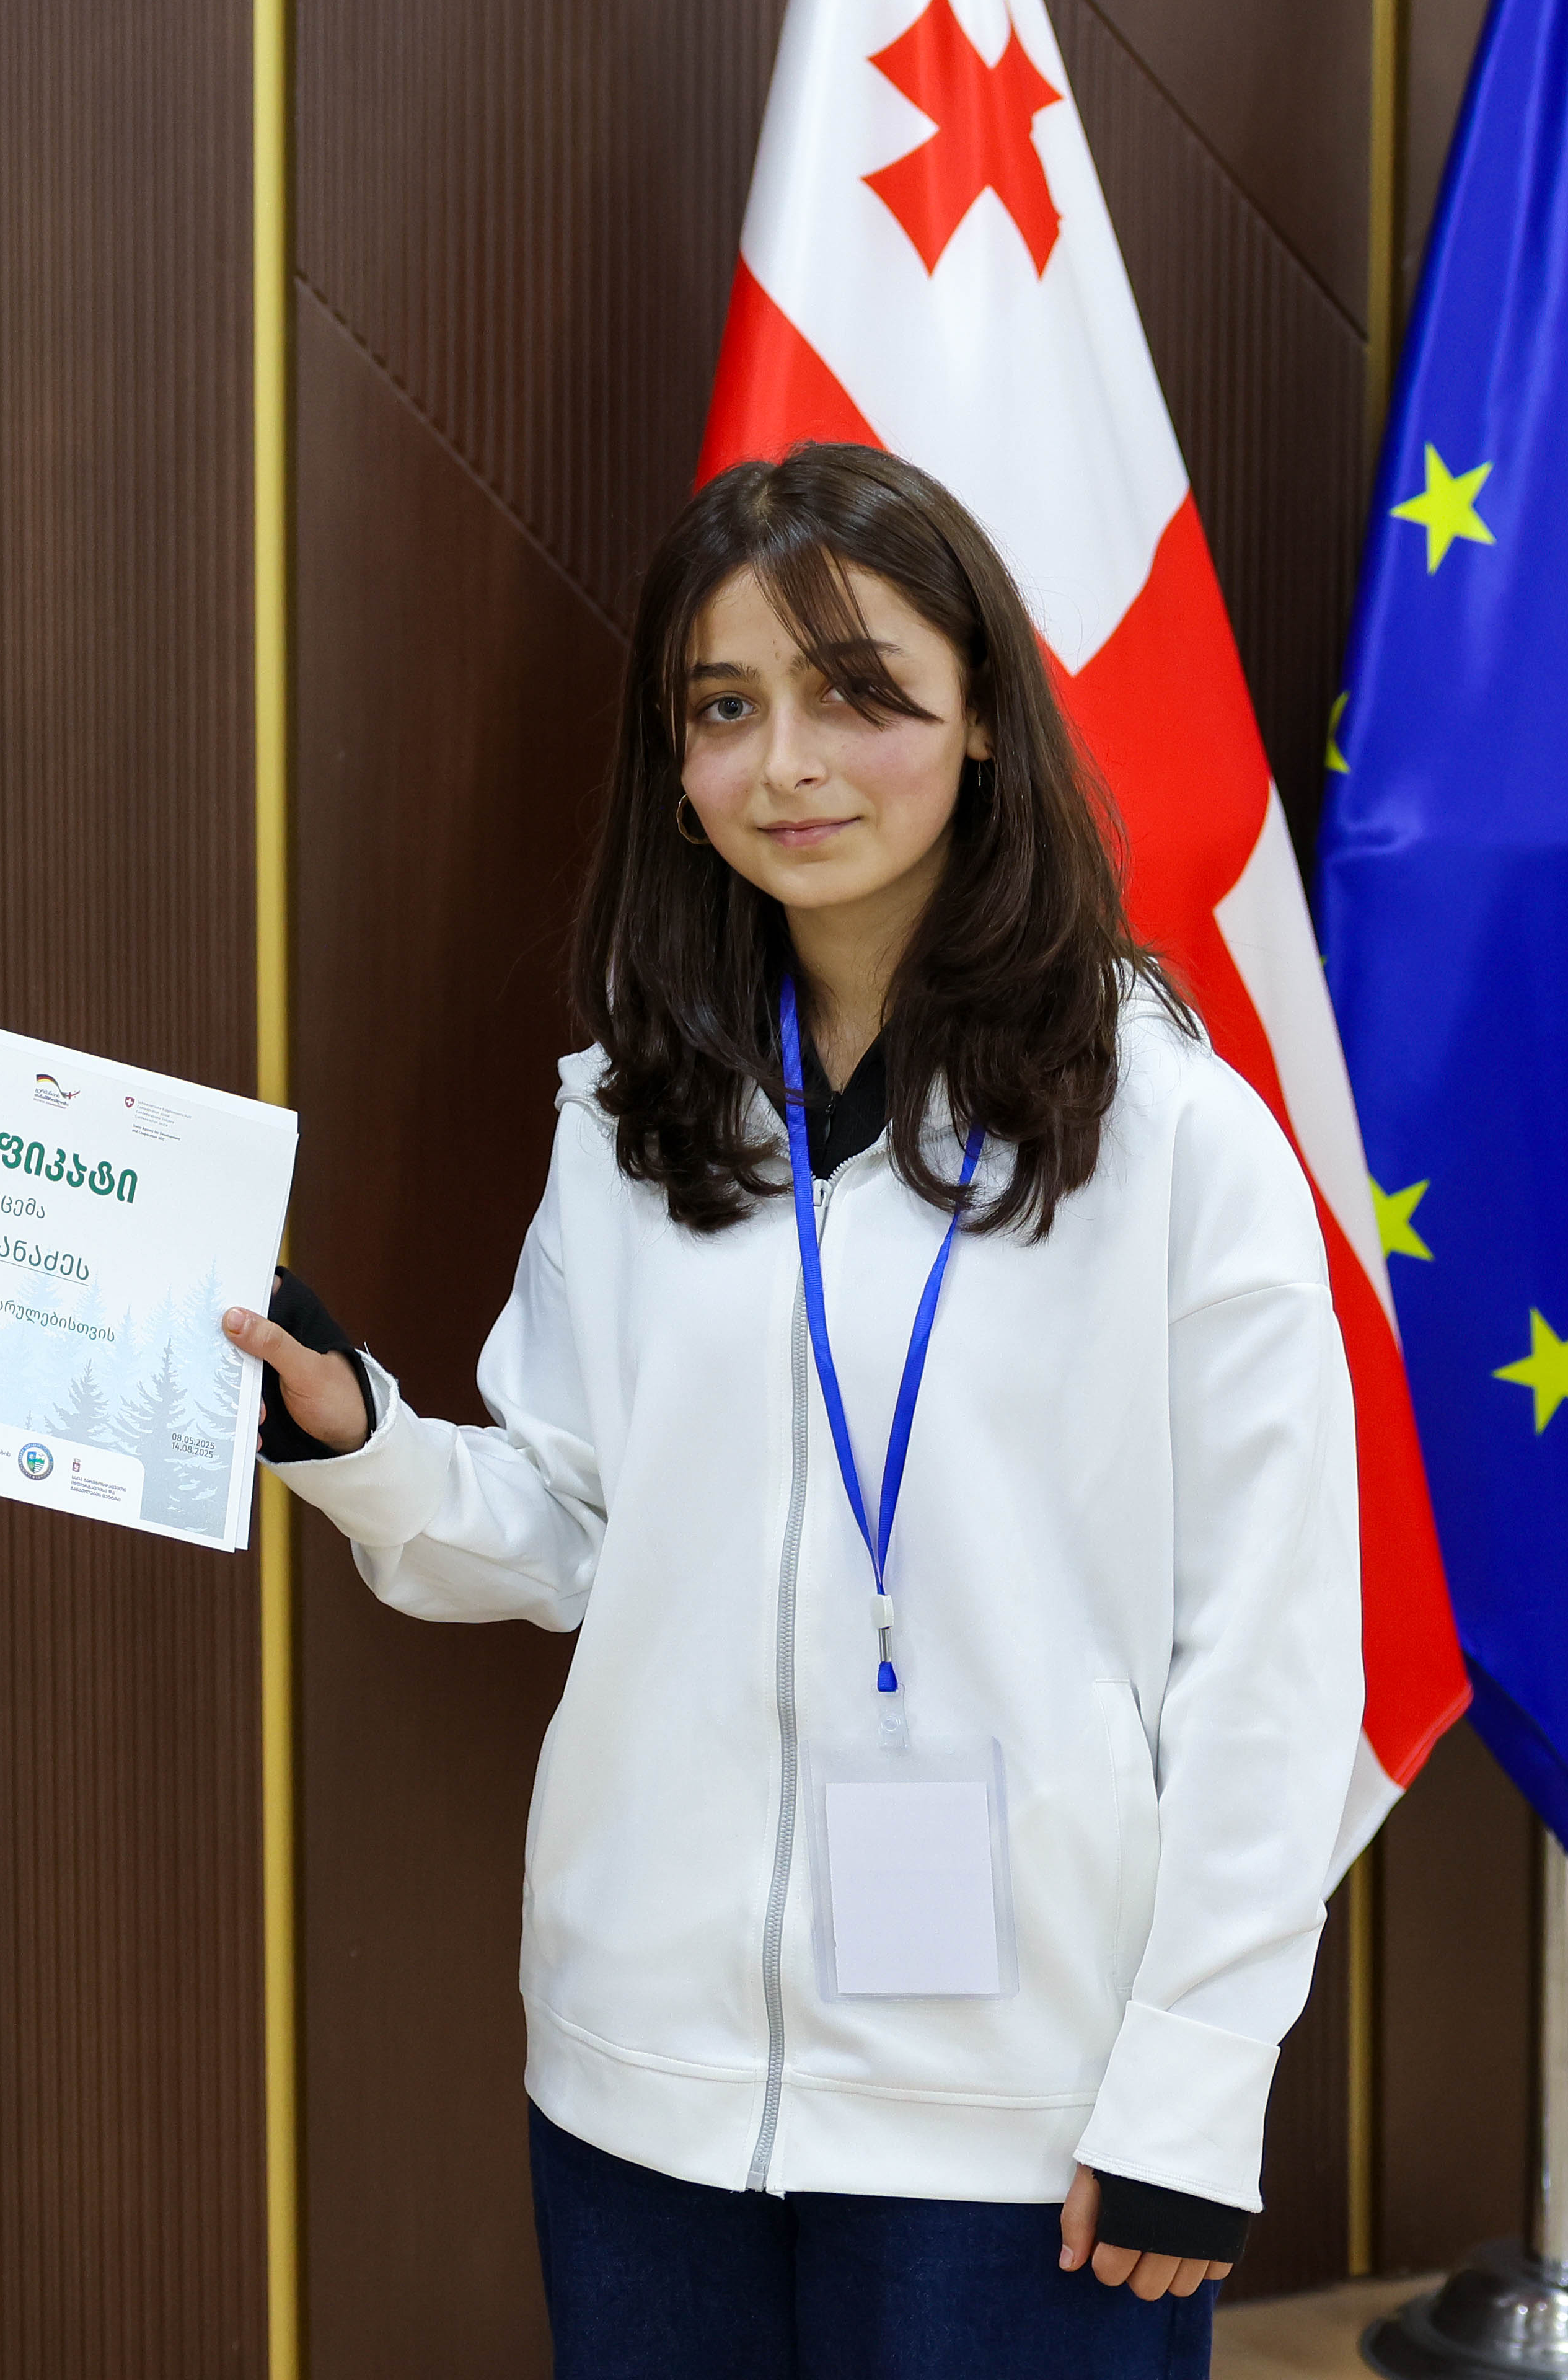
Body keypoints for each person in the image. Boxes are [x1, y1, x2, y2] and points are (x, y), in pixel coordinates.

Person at [227, 446, 1359, 2379]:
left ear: (982, 718)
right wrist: (361, 1444)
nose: (789, 765)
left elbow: (1278, 1657)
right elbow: (577, 1530)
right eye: (726, 709)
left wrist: (1194, 2082)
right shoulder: (631, 1116)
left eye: (858, 694)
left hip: (1021, 2109)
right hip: (644, 2083)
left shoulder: (1169, 1129)